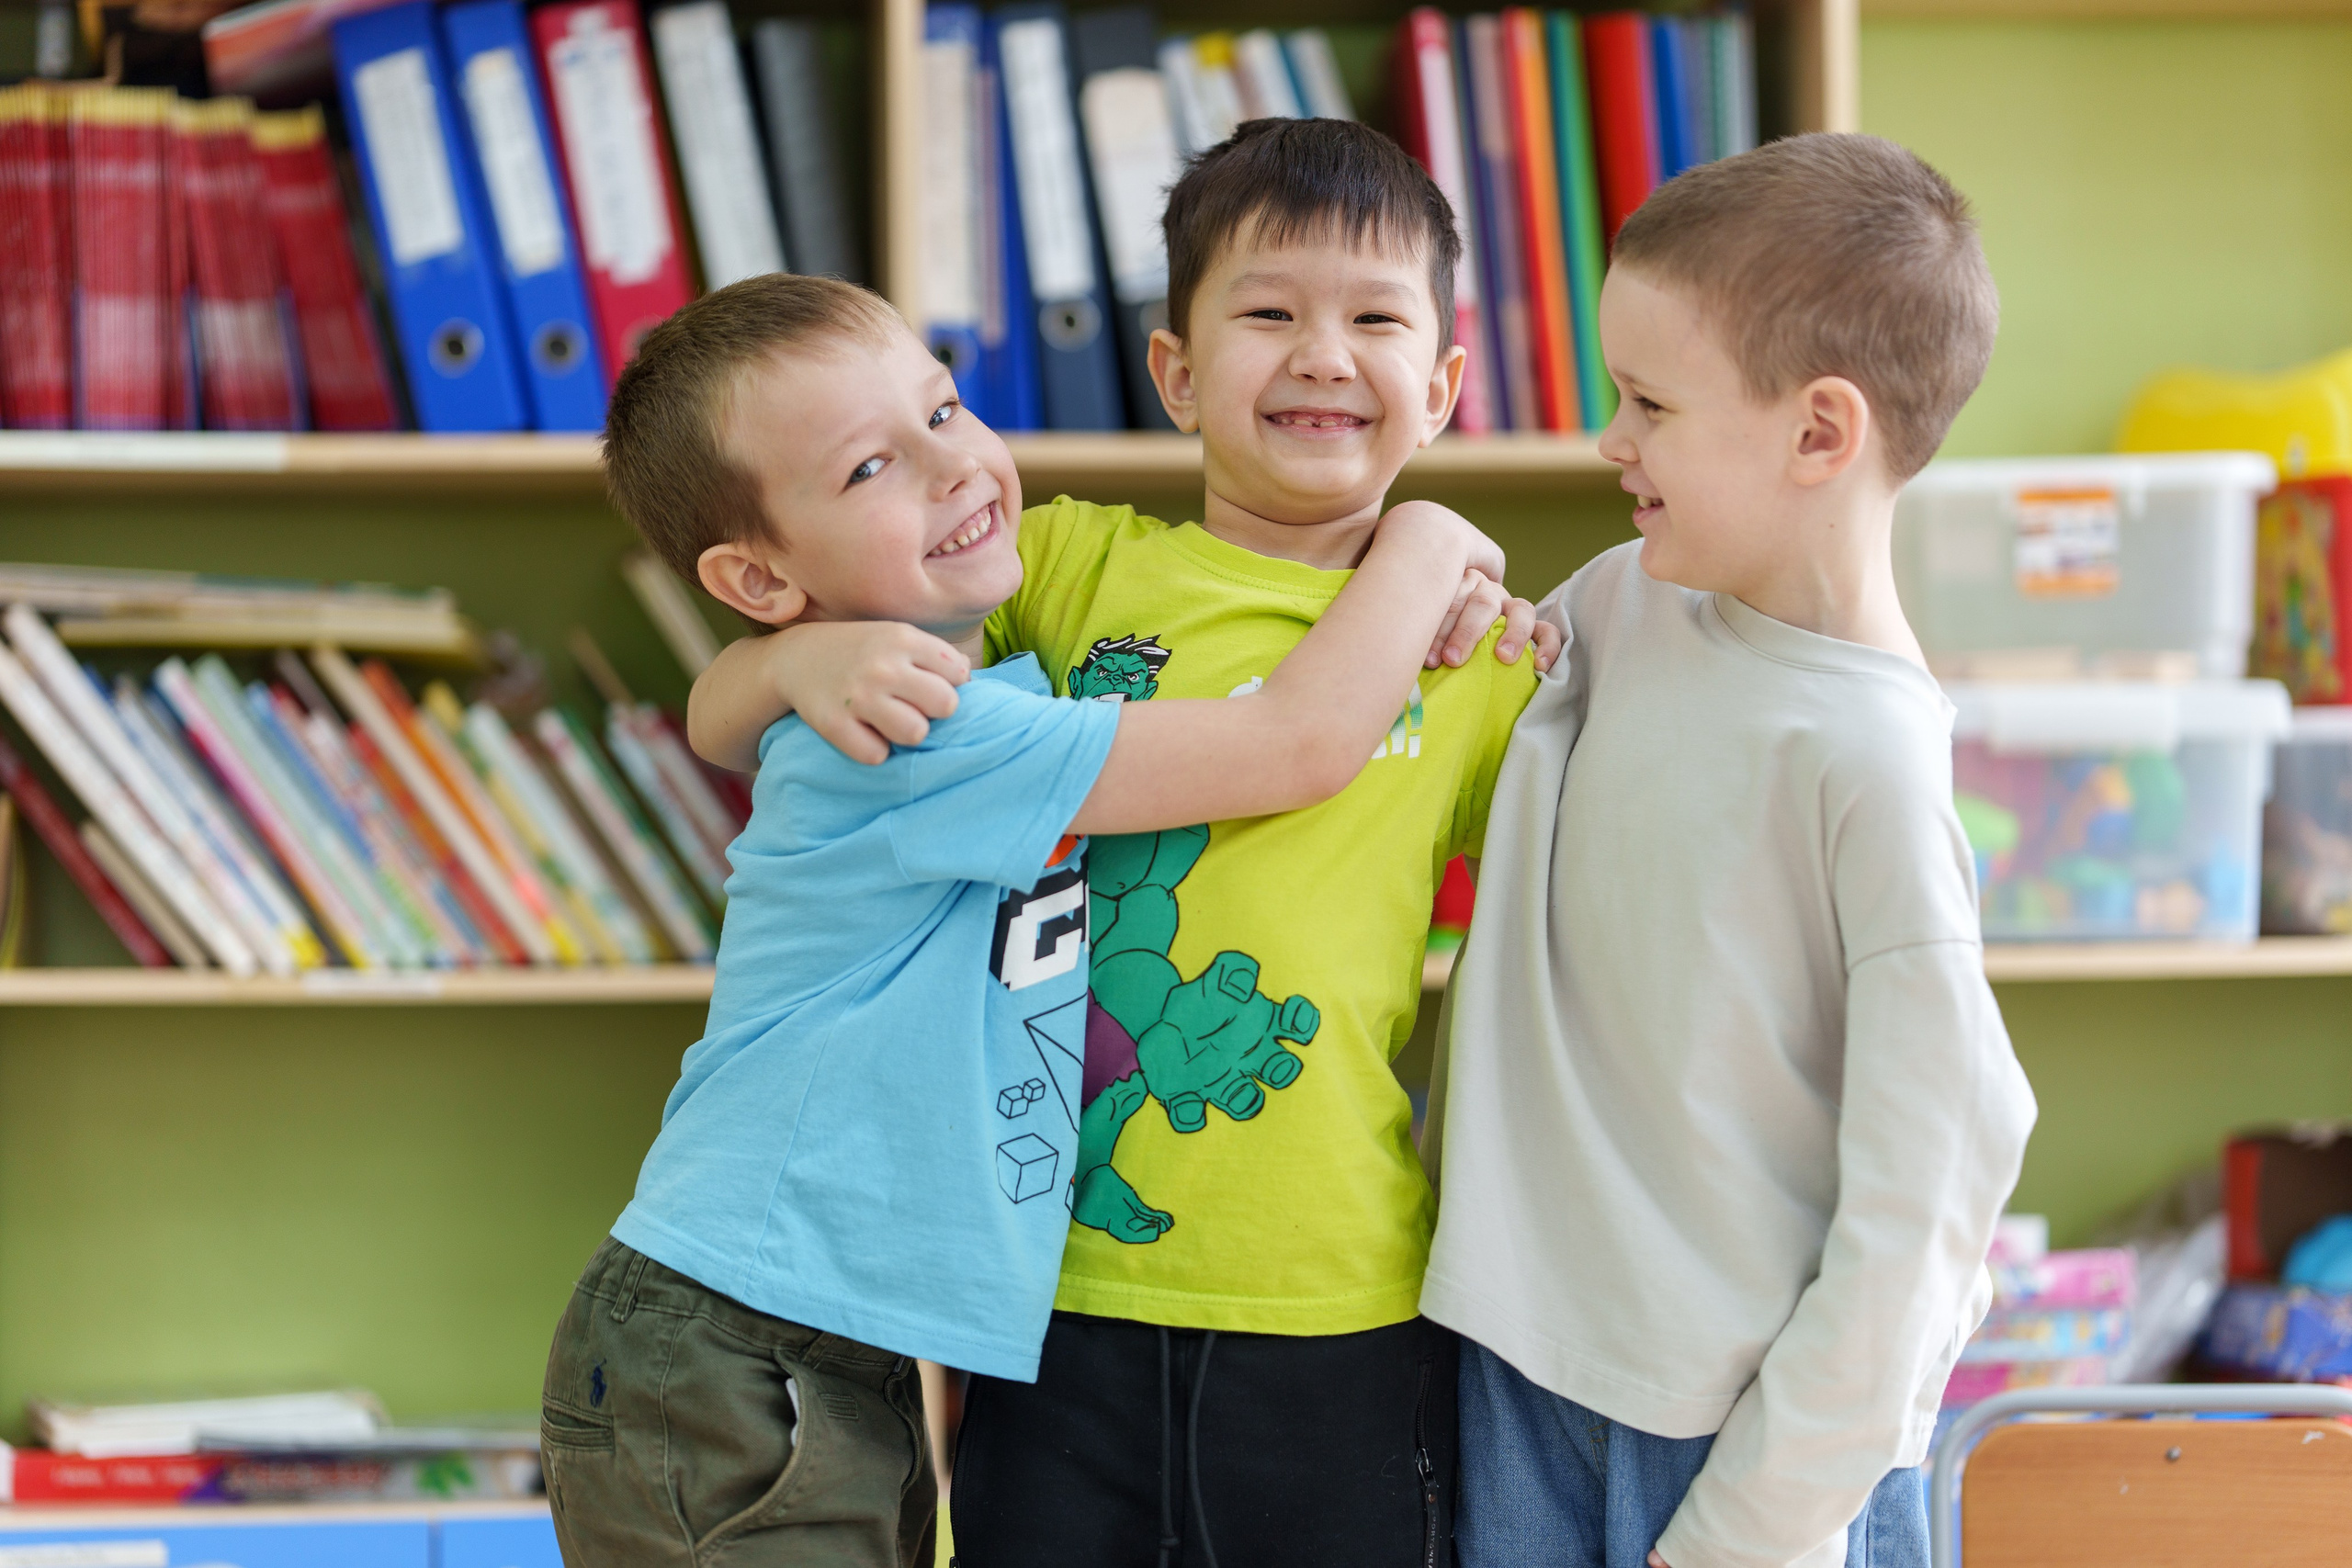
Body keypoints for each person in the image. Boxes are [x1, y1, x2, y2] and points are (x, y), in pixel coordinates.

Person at [540, 271, 1515, 1568]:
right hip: (736, 1342)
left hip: (810, 1338)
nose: (954, 466)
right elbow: (1298, 743)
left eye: (945, 409)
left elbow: (722, 711)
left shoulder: (975, 683)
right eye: (872, 466)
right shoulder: (931, 734)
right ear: (758, 576)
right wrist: (1429, 538)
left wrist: (776, 658)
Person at [1419, 132, 2041, 1568]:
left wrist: (1750, 1530)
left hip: (1729, 1448)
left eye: (1649, 402)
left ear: (1819, 436)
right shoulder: (1623, 600)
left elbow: (1932, 1199)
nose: (1610, 439)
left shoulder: (1870, 765)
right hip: (1523, 1360)